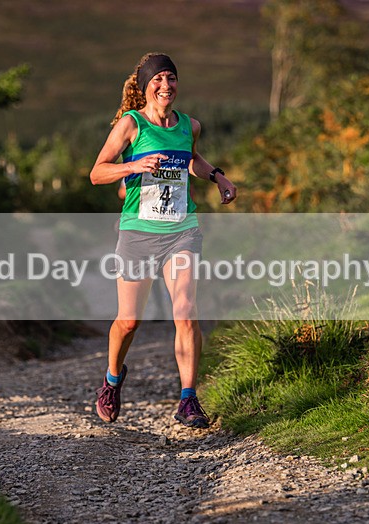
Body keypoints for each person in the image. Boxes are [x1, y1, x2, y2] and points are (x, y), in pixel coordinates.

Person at [89, 52, 237, 429]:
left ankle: (188, 399)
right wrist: (134, 165)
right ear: (145, 87)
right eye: (158, 79)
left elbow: (192, 158)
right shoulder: (131, 124)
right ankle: (111, 379)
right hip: (138, 233)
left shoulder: (190, 125)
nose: (166, 85)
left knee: (186, 312)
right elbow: (97, 172)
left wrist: (217, 176)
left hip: (181, 231)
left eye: (171, 78)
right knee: (129, 321)